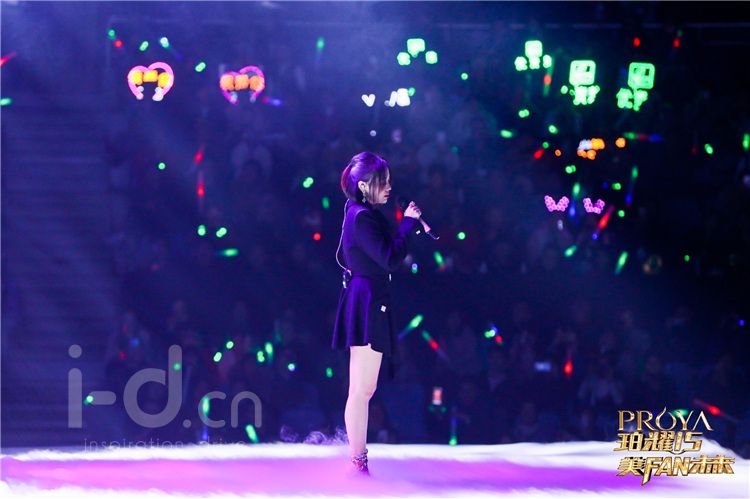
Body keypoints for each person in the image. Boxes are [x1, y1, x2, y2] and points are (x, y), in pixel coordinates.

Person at [331, 151, 422, 475]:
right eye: (383, 182)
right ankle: (358, 462)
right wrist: (407, 225)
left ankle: (358, 460)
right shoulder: (361, 217)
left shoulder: (360, 214)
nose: (389, 187)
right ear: (365, 185)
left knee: (362, 389)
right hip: (367, 300)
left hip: (367, 297)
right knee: (361, 390)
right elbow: (389, 258)